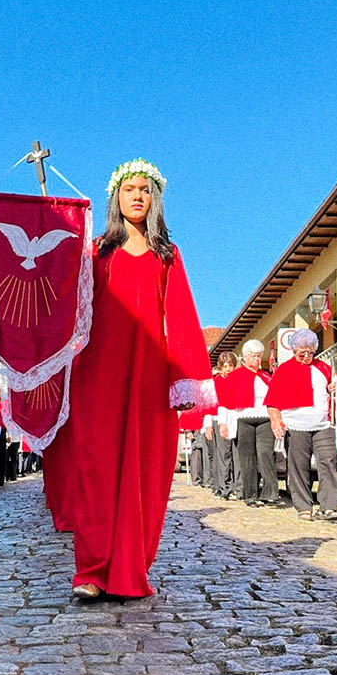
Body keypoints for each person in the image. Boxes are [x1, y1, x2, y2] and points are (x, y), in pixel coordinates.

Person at [60, 158, 214, 599]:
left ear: (155, 198)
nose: (138, 196)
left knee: (147, 471)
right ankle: (90, 571)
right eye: (129, 189)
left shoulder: (168, 254)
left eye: (145, 189)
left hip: (149, 373)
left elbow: (181, 316)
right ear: (116, 197)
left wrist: (184, 379)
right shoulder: (94, 251)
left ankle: (129, 569)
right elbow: (69, 306)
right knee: (96, 468)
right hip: (98, 372)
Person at [265, 329, 337, 521]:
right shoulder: (283, 370)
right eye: (302, 353)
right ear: (294, 350)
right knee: (298, 466)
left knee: (328, 461)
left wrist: (334, 387)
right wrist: (276, 420)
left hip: (323, 423)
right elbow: (272, 401)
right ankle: (304, 506)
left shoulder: (324, 368)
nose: (307, 356)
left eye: (310, 352)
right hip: (295, 424)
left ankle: (329, 506)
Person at [219, 339, 276, 507]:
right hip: (244, 419)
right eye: (253, 356)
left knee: (266, 454)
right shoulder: (235, 376)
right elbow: (225, 402)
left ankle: (270, 493)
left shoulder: (266, 376)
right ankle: (250, 495)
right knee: (247, 458)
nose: (257, 360)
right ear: (245, 357)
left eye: (259, 356)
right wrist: (223, 424)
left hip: (265, 419)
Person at [210, 352, 239, 499]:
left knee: (236, 453)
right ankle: (224, 487)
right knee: (223, 454)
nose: (228, 369)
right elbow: (212, 404)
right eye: (225, 366)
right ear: (220, 367)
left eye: (231, 366)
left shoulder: (237, 380)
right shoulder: (216, 382)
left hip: (235, 415)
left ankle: (237, 486)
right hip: (220, 417)